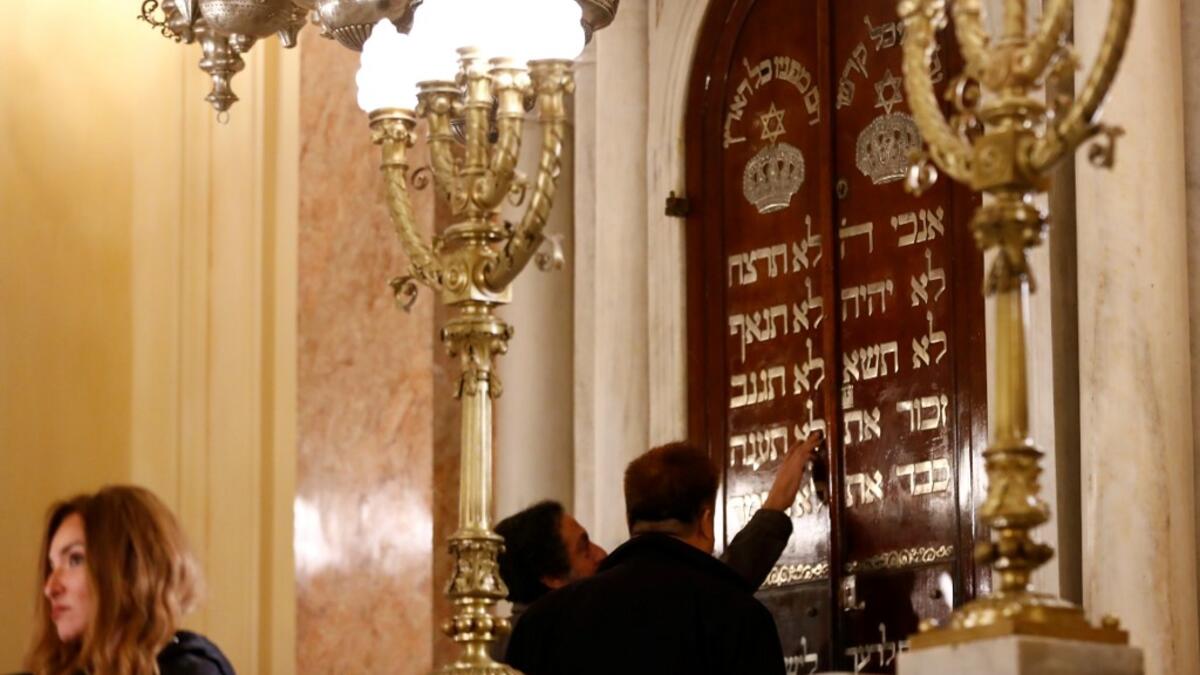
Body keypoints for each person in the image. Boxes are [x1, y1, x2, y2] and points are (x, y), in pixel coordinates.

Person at [492, 431, 821, 660]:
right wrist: (775, 507)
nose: (601, 553)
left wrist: (773, 509)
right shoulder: (735, 616)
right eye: (583, 548)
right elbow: (700, 596)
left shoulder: (537, 630)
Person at [24, 485, 236, 675]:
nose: (50, 588)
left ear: (131, 569)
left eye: (75, 559)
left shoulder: (190, 669)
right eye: (52, 566)